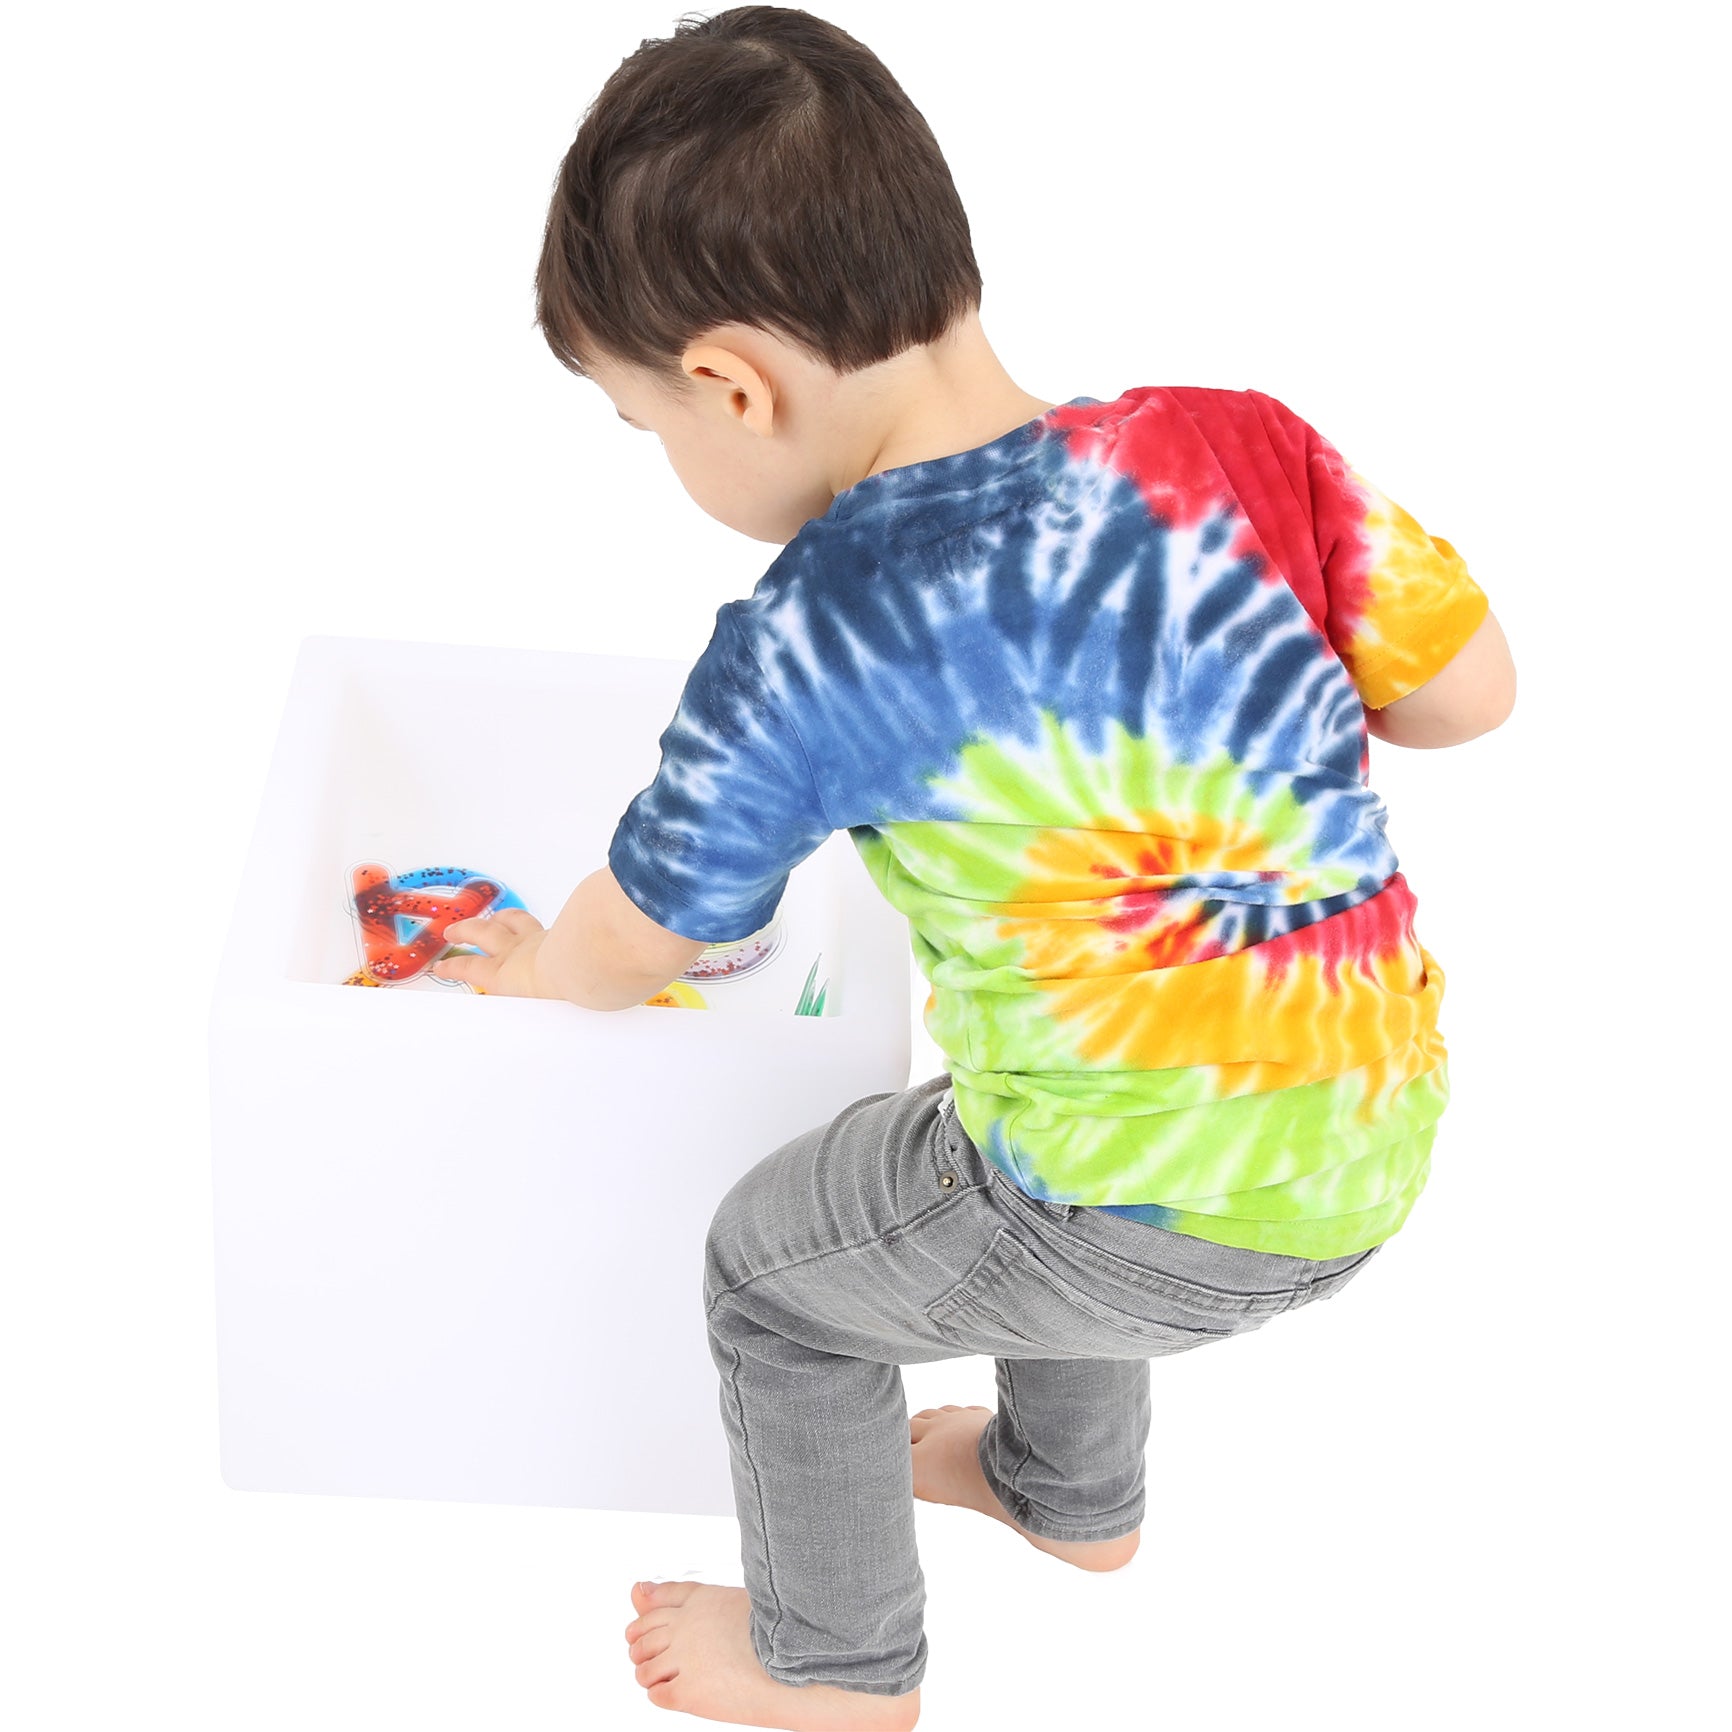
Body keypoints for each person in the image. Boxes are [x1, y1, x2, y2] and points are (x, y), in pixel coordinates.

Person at [433, 8, 1518, 1729]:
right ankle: (1067, 1498)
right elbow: (1473, 694)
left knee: (779, 1273)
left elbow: (646, 934)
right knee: (1025, 1113)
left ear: (732, 383)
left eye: (650, 429)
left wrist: (527, 972)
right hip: (1374, 1144)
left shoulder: (817, 635)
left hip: (1131, 1209)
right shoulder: (1243, 442)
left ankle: (834, 1661)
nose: (676, 462)